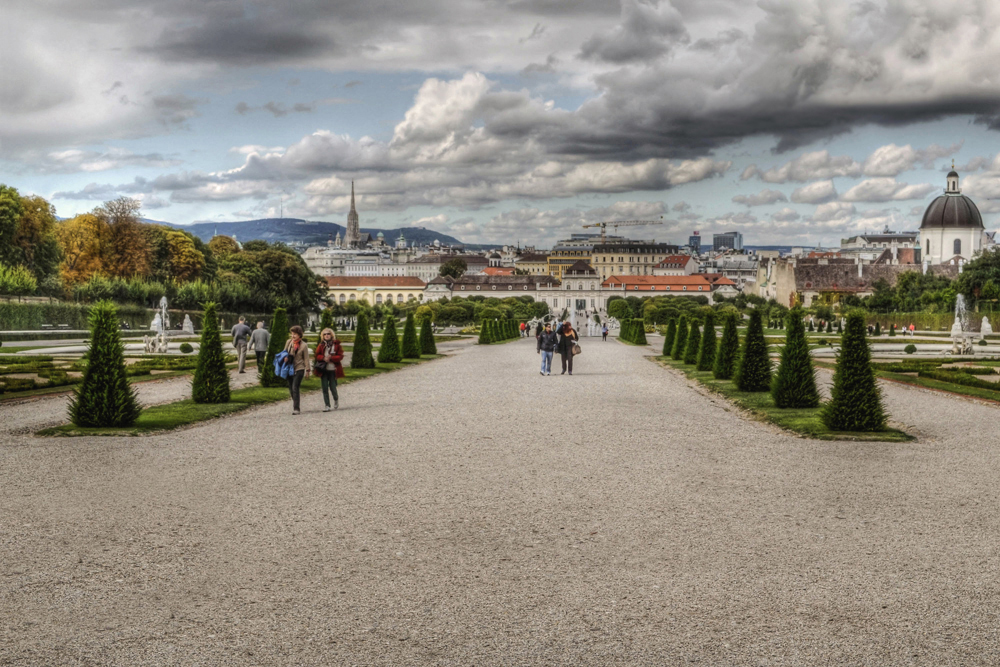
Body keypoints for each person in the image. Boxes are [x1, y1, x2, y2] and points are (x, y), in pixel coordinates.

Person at [314, 328, 344, 412]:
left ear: (331, 335)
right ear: (322, 336)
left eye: (328, 334)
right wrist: (323, 358)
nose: (326, 335)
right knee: (324, 388)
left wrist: (332, 358)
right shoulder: (321, 345)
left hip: (333, 369)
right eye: (325, 334)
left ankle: (336, 399)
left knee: (333, 387)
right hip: (323, 370)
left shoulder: (336, 345)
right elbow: (317, 355)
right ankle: (327, 405)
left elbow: (340, 356)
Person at [282, 325, 310, 415]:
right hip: (289, 368)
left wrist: (308, 370)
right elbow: (284, 353)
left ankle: (296, 408)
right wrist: (285, 358)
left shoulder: (304, 345)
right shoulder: (289, 342)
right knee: (290, 387)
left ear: (300, 335)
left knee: (295, 387)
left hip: (299, 368)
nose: (293, 336)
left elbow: (306, 358)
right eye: (292, 334)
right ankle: (296, 402)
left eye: (295, 334)